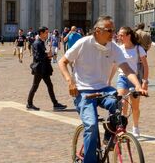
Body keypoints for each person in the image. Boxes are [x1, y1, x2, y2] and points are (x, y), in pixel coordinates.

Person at [58, 16, 147, 163]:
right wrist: (70, 81)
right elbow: (63, 61)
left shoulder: (113, 47)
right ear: (98, 31)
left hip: (104, 88)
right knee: (92, 126)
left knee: (119, 107)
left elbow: (126, 68)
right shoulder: (83, 43)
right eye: (110, 30)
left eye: (114, 29)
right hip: (84, 91)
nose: (114, 33)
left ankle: (108, 138)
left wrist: (138, 85)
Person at [109, 26, 149, 138]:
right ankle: (123, 127)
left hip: (135, 79)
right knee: (122, 104)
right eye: (119, 35)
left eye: (122, 35)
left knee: (135, 106)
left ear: (128, 36)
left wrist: (145, 81)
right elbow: (114, 66)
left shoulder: (138, 48)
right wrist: (108, 80)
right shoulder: (119, 49)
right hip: (122, 78)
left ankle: (135, 126)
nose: (119, 37)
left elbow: (145, 66)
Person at [27, 26, 67, 112]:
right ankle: (29, 104)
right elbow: (37, 56)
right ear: (41, 33)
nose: (47, 34)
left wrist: (48, 56)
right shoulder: (37, 43)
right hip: (39, 69)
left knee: (49, 85)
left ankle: (55, 104)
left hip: (44, 68)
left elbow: (42, 55)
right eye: (46, 32)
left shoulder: (41, 42)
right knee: (35, 86)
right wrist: (47, 55)